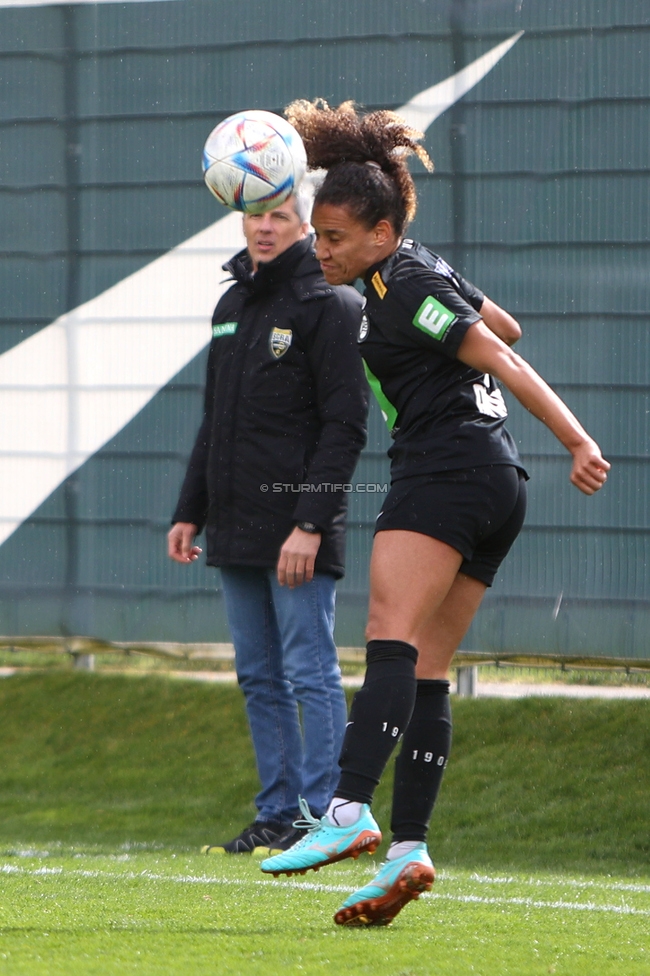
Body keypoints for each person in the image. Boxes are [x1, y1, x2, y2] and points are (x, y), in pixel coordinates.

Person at [260, 100, 610, 925]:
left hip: (446, 470)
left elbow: (502, 350)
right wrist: (449, 295)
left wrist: (579, 439)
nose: (322, 248)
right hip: (497, 484)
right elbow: (504, 320)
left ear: (380, 233)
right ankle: (409, 848)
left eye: (336, 236)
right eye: (319, 233)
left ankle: (346, 810)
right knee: (425, 670)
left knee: (388, 632)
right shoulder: (415, 268)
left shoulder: (403, 283)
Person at [168, 183, 368, 855]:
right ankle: (278, 812)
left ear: (305, 223)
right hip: (236, 528)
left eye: (279, 215)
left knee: (310, 671)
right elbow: (213, 421)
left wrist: (310, 524)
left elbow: (344, 427)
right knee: (259, 675)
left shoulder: (331, 304)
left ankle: (325, 818)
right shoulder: (231, 304)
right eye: (255, 214)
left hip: (297, 534)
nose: (264, 226)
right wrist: (189, 512)